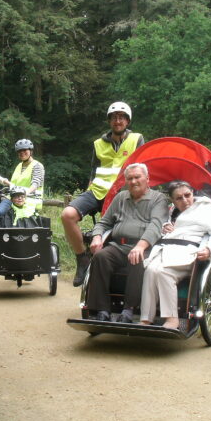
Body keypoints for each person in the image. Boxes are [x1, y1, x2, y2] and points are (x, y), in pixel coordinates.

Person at [62, 102, 144, 287]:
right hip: (98, 191)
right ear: (109, 121)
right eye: (114, 117)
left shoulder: (137, 139)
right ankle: (82, 258)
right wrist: (88, 190)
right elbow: (94, 170)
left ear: (128, 120)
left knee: (114, 233)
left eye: (122, 117)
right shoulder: (98, 143)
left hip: (123, 194)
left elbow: (142, 167)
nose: (118, 120)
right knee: (67, 215)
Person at [86, 163, 169, 323]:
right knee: (100, 257)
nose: (133, 181)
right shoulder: (120, 197)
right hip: (118, 246)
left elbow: (156, 225)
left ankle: (129, 310)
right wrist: (97, 237)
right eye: (129, 178)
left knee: (136, 259)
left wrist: (140, 246)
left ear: (147, 179)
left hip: (144, 248)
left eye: (137, 177)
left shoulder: (158, 199)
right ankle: (102, 310)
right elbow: (104, 223)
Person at [139, 181, 211, 330]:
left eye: (187, 195)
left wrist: (210, 250)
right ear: (173, 200)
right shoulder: (173, 211)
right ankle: (146, 319)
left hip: (189, 253)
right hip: (167, 249)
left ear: (193, 192)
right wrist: (166, 227)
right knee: (151, 270)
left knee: (163, 272)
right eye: (179, 198)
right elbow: (165, 228)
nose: (185, 200)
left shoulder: (207, 209)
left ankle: (172, 320)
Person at [0, 139, 44, 217]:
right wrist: (8, 183)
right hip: (13, 197)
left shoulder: (37, 165)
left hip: (30, 199)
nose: (22, 152)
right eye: (19, 151)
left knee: (1, 213)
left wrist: (24, 193)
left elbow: (36, 183)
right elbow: (15, 184)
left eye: (24, 150)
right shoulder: (19, 166)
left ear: (31, 151)